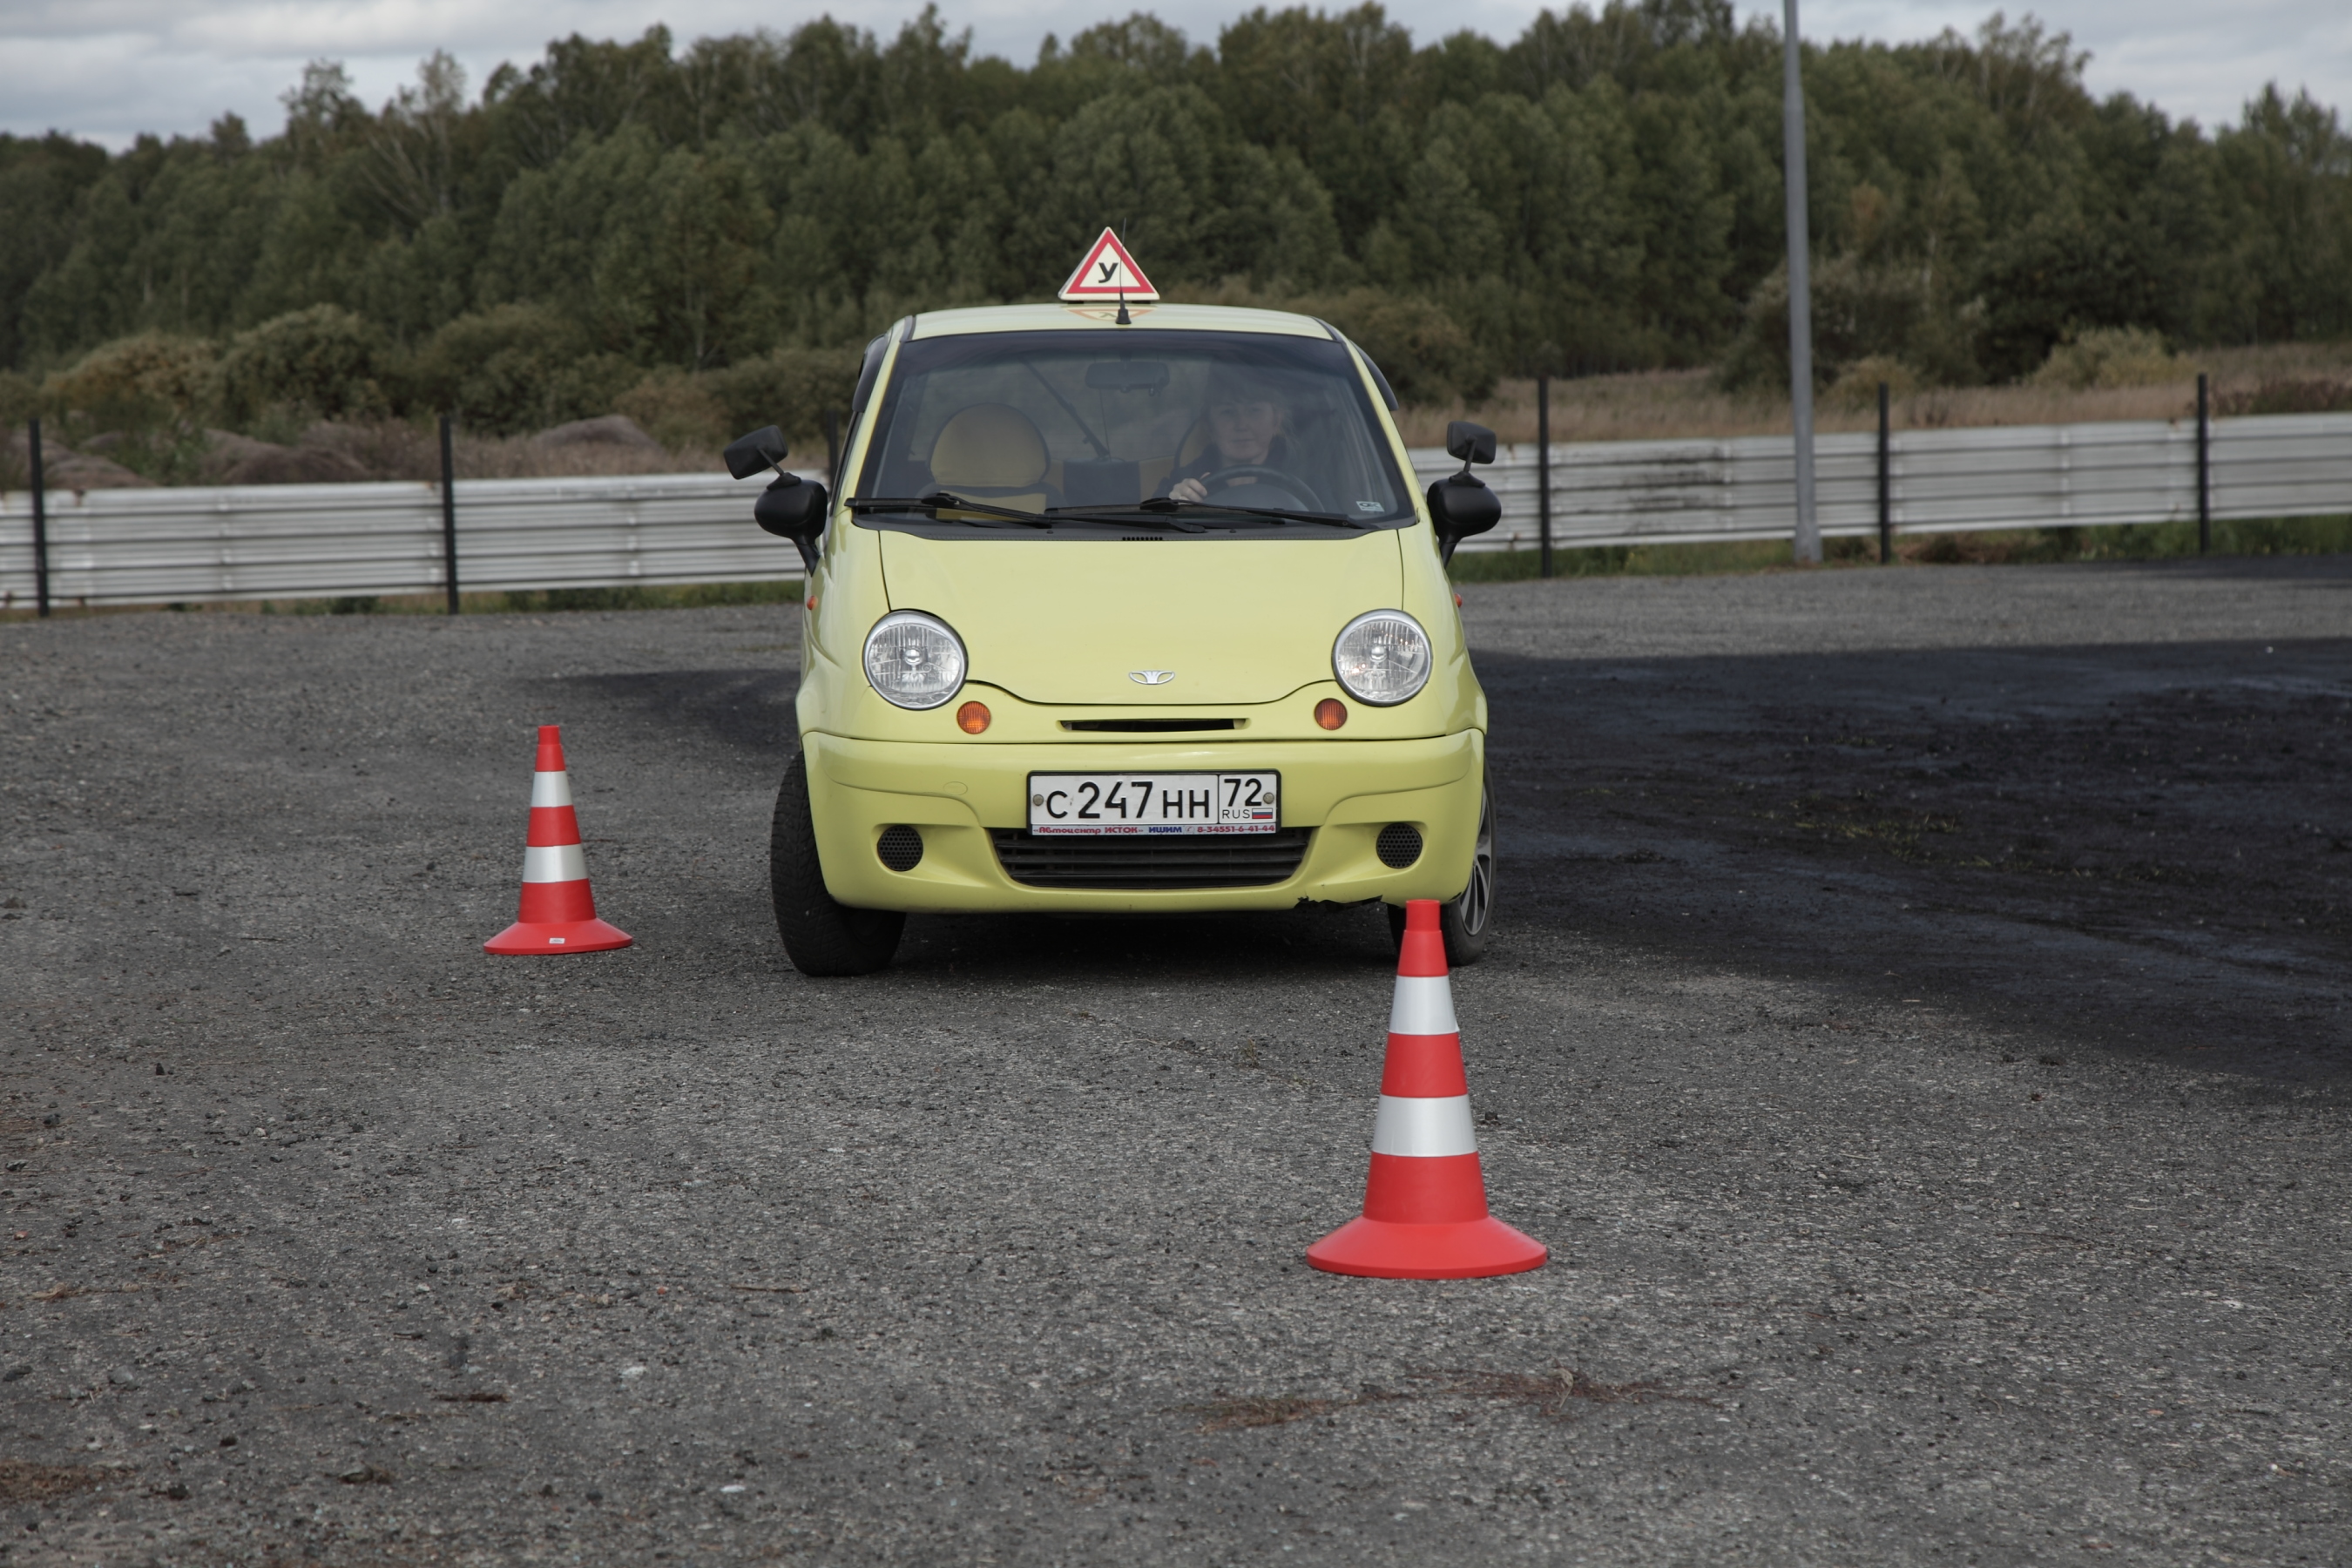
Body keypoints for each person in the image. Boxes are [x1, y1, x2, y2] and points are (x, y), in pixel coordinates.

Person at [1163, 372, 1295, 503]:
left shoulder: (1304, 472)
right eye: (1228, 412)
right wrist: (1176, 506)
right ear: (1209, 426)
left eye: (1254, 410)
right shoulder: (1186, 478)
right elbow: (1153, 515)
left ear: (1277, 420)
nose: (1241, 425)